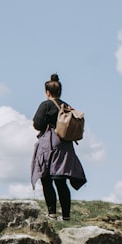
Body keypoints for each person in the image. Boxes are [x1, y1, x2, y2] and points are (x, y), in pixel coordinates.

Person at [31, 77, 86, 220]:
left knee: (46, 178)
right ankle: (66, 216)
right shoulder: (67, 106)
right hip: (66, 146)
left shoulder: (46, 105)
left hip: (50, 145)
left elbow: (37, 124)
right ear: (60, 91)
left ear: (47, 92)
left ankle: (52, 213)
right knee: (61, 181)